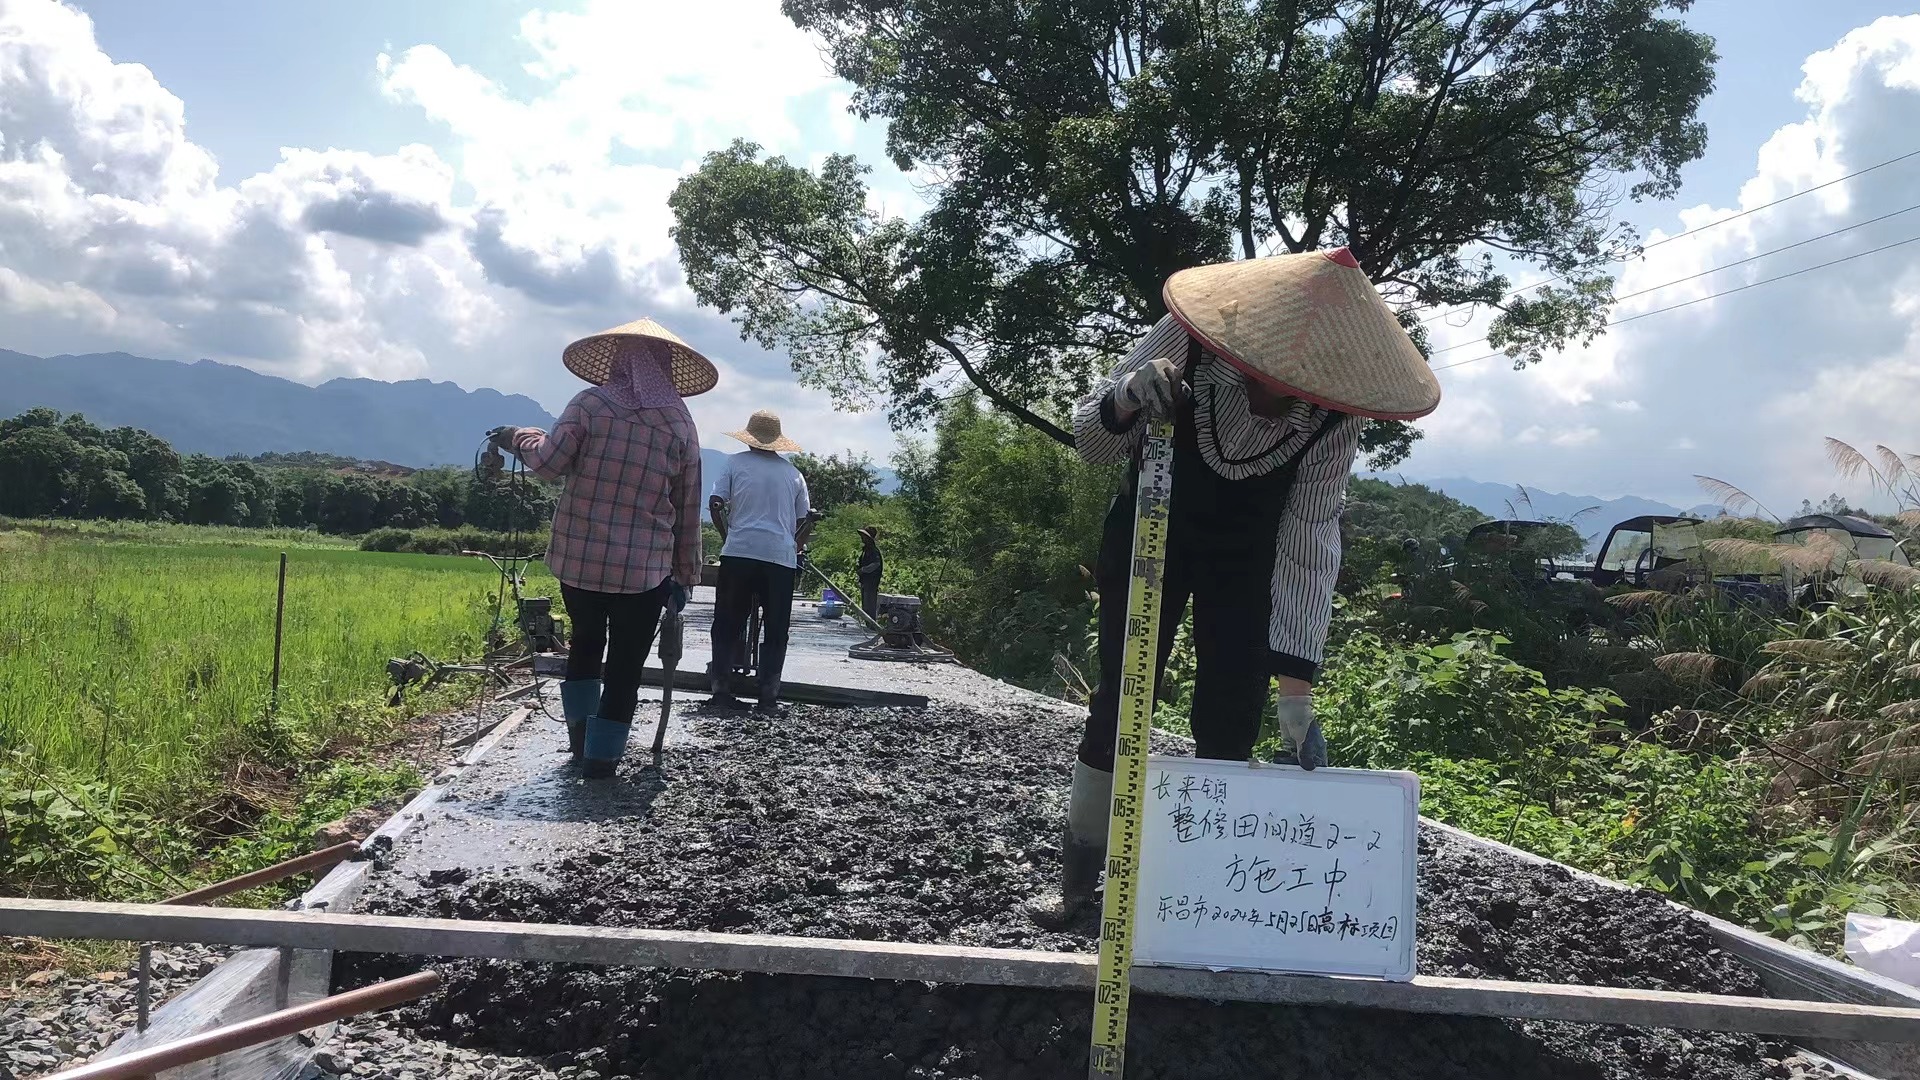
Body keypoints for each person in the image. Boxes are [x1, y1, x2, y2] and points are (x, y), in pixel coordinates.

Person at [1047, 248, 1441, 913]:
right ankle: (1080, 881)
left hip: (1248, 558)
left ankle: (1200, 893)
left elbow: (1310, 536)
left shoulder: (1333, 417)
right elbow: (1091, 441)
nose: (1286, 385)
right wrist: (1128, 397)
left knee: (1231, 717)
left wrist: (1296, 695)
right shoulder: (1192, 338)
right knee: (1121, 704)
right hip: (1152, 533)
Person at [490, 318, 716, 778]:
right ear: (666, 366)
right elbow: (687, 508)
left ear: (618, 358)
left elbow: (548, 463)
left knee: (586, 646)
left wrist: (519, 437)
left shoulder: (590, 404)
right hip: (644, 572)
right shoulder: (680, 423)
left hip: (581, 563)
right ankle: (601, 761)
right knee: (626, 666)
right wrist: (686, 575)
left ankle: (578, 743)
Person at [706, 410, 815, 714]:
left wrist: (727, 536)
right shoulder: (793, 474)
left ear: (750, 438)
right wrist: (793, 547)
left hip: (739, 552)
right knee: (776, 627)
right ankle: (768, 695)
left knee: (727, 623)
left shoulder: (734, 463)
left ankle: (721, 689)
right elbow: (804, 521)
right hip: (779, 558)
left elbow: (715, 503)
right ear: (777, 441)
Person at [856, 526, 884, 621]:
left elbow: (876, 564)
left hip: (871, 582)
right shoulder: (866, 550)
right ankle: (867, 623)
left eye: (864, 536)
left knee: (870, 605)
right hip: (865, 581)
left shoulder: (873, 551)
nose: (862, 538)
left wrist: (863, 570)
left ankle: (871, 624)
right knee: (865, 606)